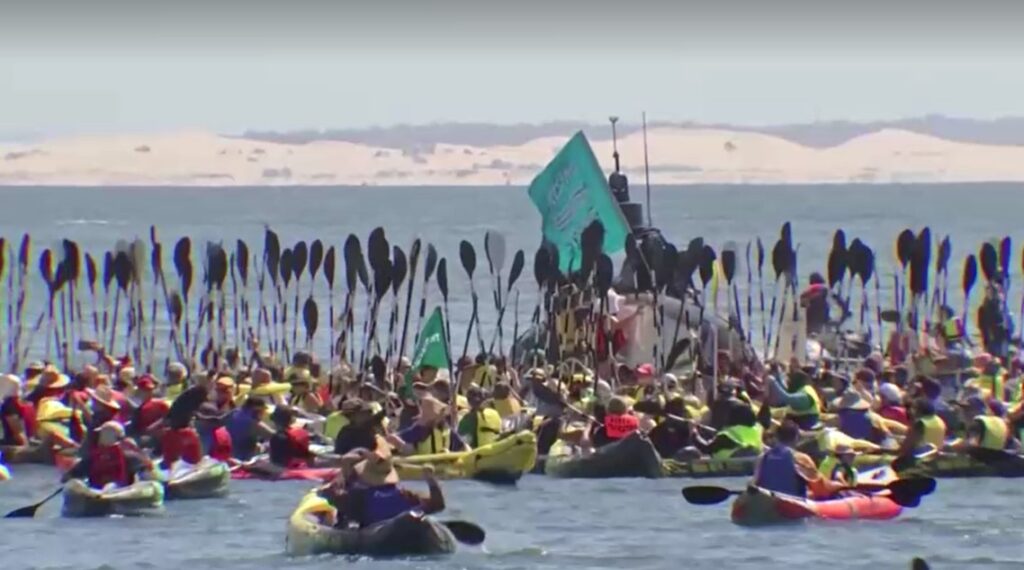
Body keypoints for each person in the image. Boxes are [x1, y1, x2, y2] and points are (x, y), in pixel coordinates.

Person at [322, 436, 445, 528]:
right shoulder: (405, 495)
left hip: (377, 535)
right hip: (400, 531)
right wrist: (431, 481)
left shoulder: (358, 498)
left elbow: (329, 494)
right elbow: (438, 504)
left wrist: (344, 473)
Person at [752, 420, 842, 498]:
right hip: (790, 504)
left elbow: (754, 484)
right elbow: (821, 490)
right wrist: (840, 485)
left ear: (777, 437)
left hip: (767, 503)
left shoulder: (763, 457)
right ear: (797, 438)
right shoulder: (800, 458)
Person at [62, 421, 153, 490]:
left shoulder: (129, 456)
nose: (99, 437)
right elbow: (73, 474)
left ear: (109, 435)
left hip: (116, 491)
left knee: (111, 486)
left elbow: (67, 477)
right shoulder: (94, 456)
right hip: (102, 491)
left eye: (102, 434)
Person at [390, 396, 466, 456]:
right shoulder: (420, 430)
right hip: (423, 470)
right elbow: (396, 438)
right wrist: (398, 443)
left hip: (445, 470)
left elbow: (463, 447)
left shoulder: (447, 430)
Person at [693, 404, 764, 459]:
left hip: (728, 469)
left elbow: (706, 449)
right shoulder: (757, 429)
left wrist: (694, 432)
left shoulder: (727, 435)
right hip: (751, 465)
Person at [894, 398, 948, 463]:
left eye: (913, 408)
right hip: (934, 459)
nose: (911, 411)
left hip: (917, 462)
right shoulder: (940, 420)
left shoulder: (920, 424)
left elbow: (904, 450)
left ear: (918, 410)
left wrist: (881, 450)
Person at [128, 375, 170, 442]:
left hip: (158, 436)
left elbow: (168, 419)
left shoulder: (161, 404)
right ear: (139, 391)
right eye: (145, 390)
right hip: (141, 436)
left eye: (150, 390)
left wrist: (153, 427)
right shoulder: (136, 406)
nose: (149, 392)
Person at [0, 374, 34, 446]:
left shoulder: (9, 404)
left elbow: (17, 431)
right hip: (14, 444)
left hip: (12, 445)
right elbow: (18, 431)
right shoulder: (12, 404)